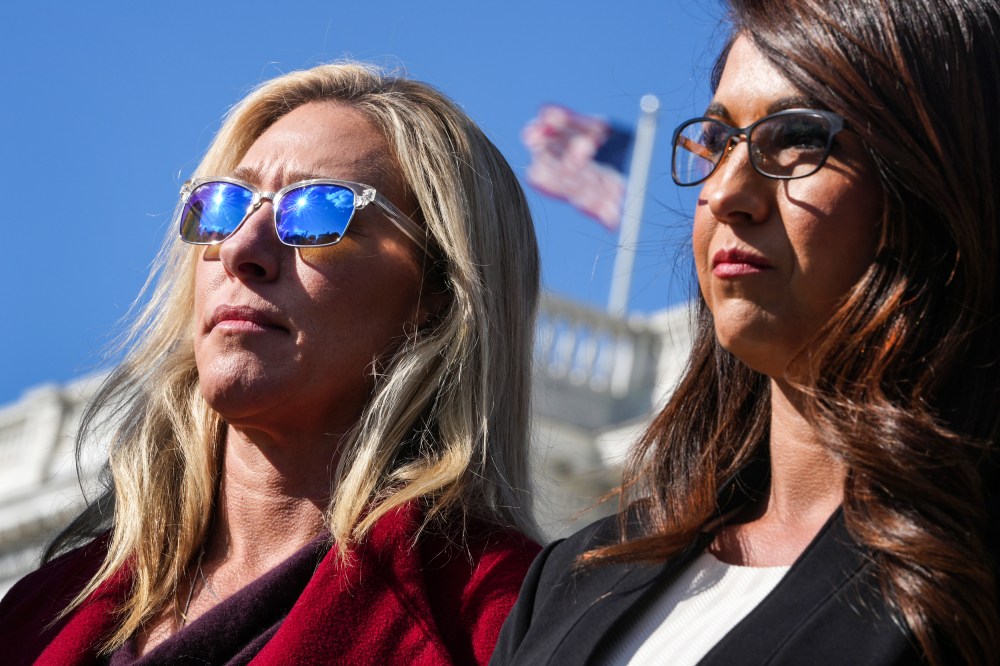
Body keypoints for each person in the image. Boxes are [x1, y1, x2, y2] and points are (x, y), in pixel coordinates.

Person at [492, 0, 1000, 664]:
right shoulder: (571, 578)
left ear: (932, 183)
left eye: (797, 139)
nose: (728, 191)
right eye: (717, 139)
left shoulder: (967, 585)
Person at [0, 62, 542, 665]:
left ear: (435, 290)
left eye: (315, 212)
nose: (239, 250)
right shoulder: (34, 616)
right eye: (225, 206)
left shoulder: (502, 625)